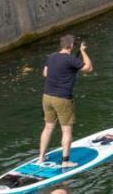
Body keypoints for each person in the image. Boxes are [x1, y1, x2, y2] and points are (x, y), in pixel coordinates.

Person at [38, 34, 94, 167]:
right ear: (70, 46)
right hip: (62, 99)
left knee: (48, 127)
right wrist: (83, 52)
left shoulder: (51, 57)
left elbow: (45, 73)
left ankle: (40, 158)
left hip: (47, 97)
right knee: (66, 131)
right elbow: (88, 68)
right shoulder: (70, 60)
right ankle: (66, 161)